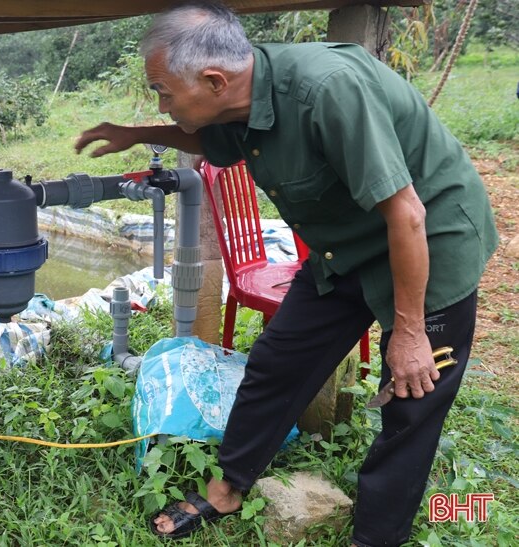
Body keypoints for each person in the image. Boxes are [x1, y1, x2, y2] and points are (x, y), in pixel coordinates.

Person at [75, 2, 498, 546]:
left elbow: (407, 215)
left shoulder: (328, 90)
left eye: (162, 91)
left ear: (213, 80)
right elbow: (210, 140)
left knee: (413, 396)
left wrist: (410, 332)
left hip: (428, 240)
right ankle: (228, 488)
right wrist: (137, 133)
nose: (161, 102)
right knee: (277, 362)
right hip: (346, 246)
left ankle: (376, 536)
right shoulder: (241, 99)